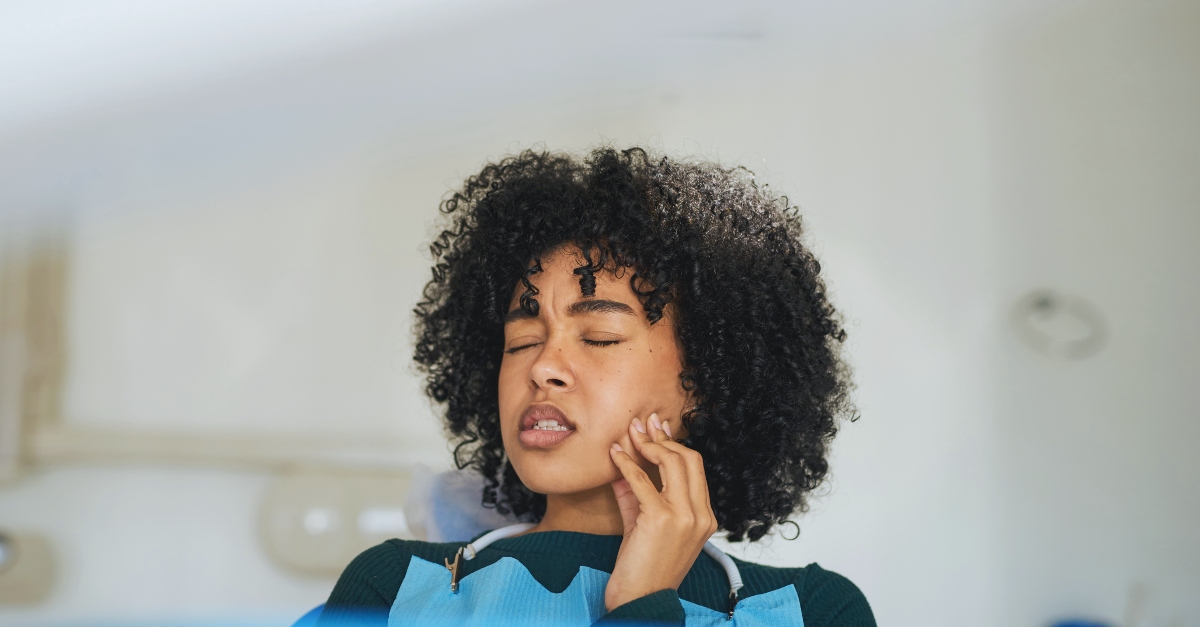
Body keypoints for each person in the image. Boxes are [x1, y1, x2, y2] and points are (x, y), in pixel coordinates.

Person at [315, 147, 873, 626]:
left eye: (600, 337)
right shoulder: (392, 588)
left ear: (704, 381)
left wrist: (644, 600)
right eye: (521, 341)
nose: (544, 367)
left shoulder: (812, 610)